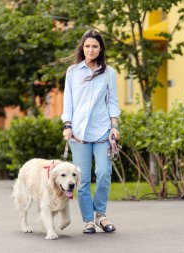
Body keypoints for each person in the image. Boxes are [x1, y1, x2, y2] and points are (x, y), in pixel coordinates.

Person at [61, 29, 121, 234]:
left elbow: (112, 101)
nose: (91, 49)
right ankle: (88, 220)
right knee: (83, 179)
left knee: (104, 173)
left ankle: (101, 215)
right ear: (82, 48)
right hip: (78, 134)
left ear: (101, 48)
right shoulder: (72, 72)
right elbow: (67, 102)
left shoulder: (109, 73)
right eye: (87, 46)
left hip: (103, 131)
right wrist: (67, 126)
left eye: (95, 46)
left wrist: (115, 126)